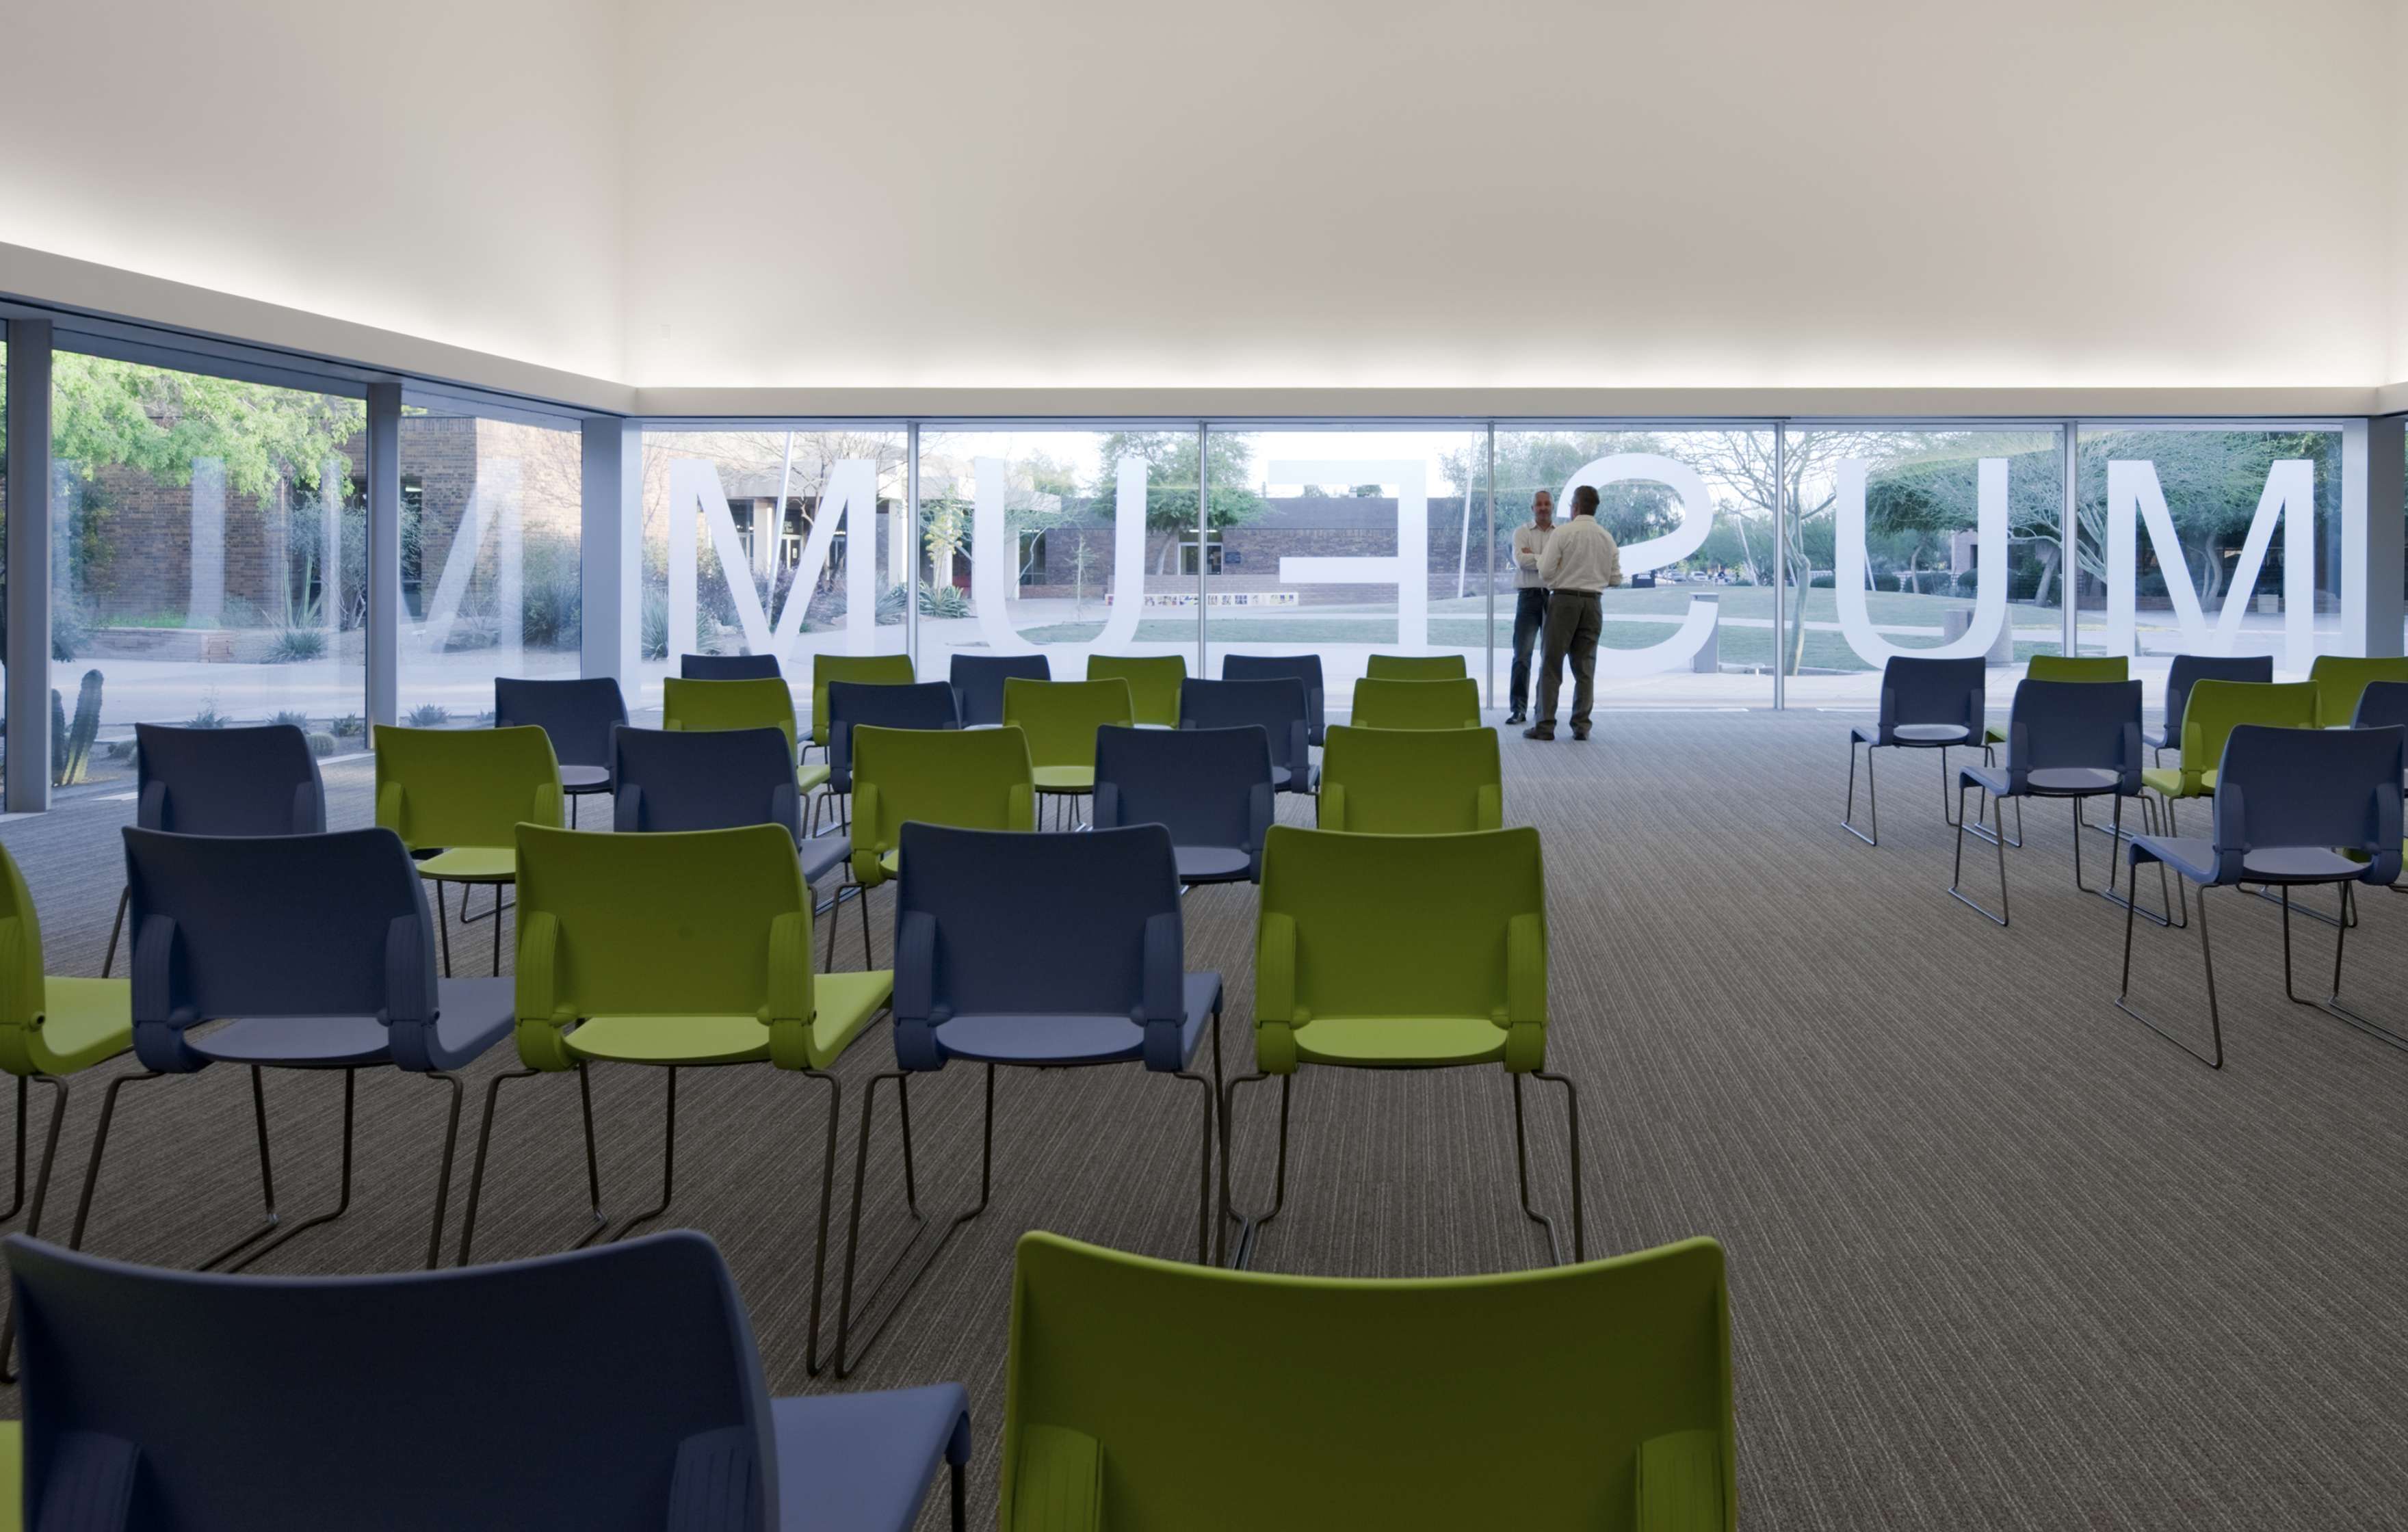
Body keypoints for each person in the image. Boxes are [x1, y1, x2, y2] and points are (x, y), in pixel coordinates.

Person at [1524, 484, 1622, 742]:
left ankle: (1545, 726)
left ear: (1575, 507)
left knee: (1551, 665)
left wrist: (1564, 575)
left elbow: (1545, 571)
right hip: (1593, 604)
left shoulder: (1564, 533)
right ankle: (1582, 726)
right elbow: (1615, 578)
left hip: (1564, 602)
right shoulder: (1606, 537)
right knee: (1585, 667)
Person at [1504, 491, 1554, 724]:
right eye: (1539, 504)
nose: (1543, 508)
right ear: (1532, 508)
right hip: (1528, 599)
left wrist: (1534, 557)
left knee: (1550, 658)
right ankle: (1518, 710)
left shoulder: (1561, 534)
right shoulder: (1522, 532)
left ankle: (1543, 711)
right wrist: (1549, 560)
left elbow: (1562, 565)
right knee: (1522, 656)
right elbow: (1520, 561)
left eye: (1547, 504)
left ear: (1552, 506)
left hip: (1554, 599)